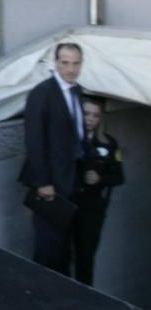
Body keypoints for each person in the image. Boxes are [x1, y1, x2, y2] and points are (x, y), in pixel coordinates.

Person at [20, 43, 95, 277]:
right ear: (56, 63)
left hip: (73, 181)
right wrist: (43, 182)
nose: (71, 69)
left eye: (75, 63)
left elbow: (79, 135)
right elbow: (34, 140)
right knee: (49, 250)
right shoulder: (42, 93)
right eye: (65, 62)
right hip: (51, 184)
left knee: (65, 249)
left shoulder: (78, 91)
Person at [73, 96, 125, 286]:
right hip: (68, 203)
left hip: (92, 208)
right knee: (60, 255)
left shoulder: (108, 144)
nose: (90, 119)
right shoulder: (68, 139)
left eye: (95, 115)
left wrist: (100, 179)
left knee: (86, 258)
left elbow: (119, 177)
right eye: (86, 113)